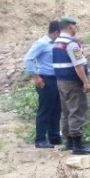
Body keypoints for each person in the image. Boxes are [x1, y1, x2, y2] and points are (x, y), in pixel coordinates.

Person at [53, 16, 90, 155]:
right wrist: (86, 82)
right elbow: (78, 66)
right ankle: (78, 145)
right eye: (75, 26)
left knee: (66, 111)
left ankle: (69, 141)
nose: (76, 29)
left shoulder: (57, 42)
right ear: (70, 26)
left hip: (60, 81)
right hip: (72, 82)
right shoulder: (71, 44)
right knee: (77, 110)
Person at [23, 20, 62, 148]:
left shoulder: (56, 44)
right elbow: (28, 59)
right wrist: (36, 77)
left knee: (56, 109)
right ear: (56, 32)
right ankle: (40, 139)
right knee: (45, 110)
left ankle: (54, 137)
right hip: (45, 79)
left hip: (56, 80)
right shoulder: (42, 43)